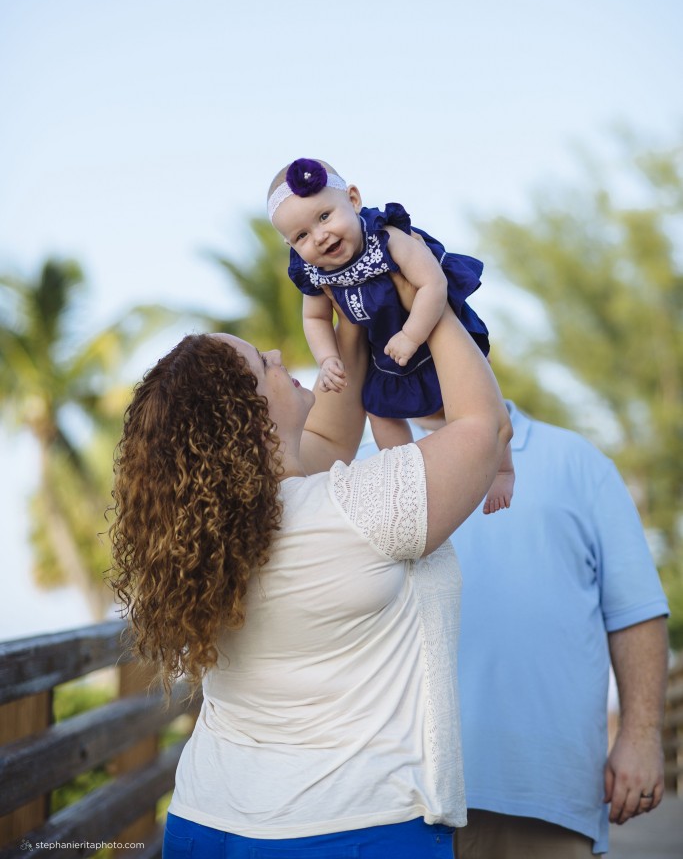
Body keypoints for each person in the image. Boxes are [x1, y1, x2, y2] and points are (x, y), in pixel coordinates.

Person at [108, 275, 512, 858]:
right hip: (349, 828)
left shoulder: (214, 534)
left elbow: (322, 434)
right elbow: (485, 427)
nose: (277, 354)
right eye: (260, 365)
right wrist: (426, 289)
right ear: (246, 420)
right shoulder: (357, 509)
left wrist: (353, 293)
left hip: (206, 819)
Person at [450, 400, 670, 858]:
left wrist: (642, 735)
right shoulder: (366, 455)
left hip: (542, 796)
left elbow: (636, 611)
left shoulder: (578, 460)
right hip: (393, 796)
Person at [268, 156, 515, 513]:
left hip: (429, 334)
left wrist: (413, 335)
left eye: (324, 217)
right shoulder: (314, 274)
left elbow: (433, 283)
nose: (320, 237)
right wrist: (328, 358)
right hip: (384, 355)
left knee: (481, 398)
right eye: (302, 236)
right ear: (292, 246)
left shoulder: (386, 239)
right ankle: (403, 475)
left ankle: (503, 469)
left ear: (353, 200)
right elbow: (316, 319)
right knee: (379, 411)